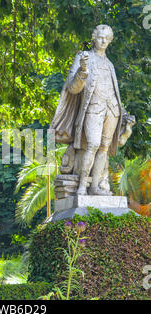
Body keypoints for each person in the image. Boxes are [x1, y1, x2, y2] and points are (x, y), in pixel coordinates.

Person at [51, 25, 127, 196]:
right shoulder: (83, 57)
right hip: (93, 108)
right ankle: (82, 186)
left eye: (107, 39)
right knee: (92, 144)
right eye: (100, 37)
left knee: (103, 148)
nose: (103, 41)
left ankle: (95, 187)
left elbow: (114, 90)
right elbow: (72, 88)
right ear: (93, 37)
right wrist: (82, 71)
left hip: (112, 109)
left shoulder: (110, 64)